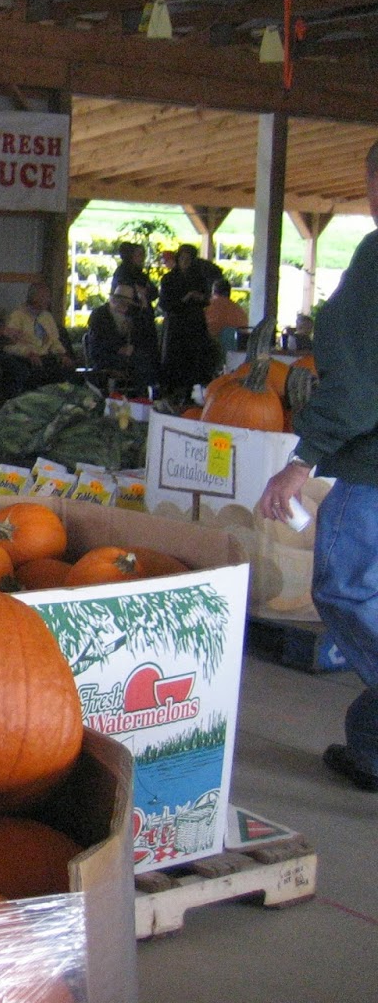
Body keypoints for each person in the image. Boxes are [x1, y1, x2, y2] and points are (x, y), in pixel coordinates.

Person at [259, 138, 378, 793]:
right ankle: (371, 751)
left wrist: (301, 460)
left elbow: (358, 382)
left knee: (346, 588)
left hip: (374, 471)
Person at [158, 243, 223, 401]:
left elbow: (207, 298)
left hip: (195, 324)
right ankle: (172, 393)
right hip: (176, 324)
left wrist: (200, 298)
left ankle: (191, 393)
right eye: (183, 258)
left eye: (189, 259)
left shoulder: (199, 278)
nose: (185, 262)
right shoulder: (169, 279)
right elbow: (164, 304)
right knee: (175, 361)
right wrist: (184, 299)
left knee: (194, 361)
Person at [85, 283, 160, 392]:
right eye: (123, 304)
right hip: (104, 356)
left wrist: (131, 347)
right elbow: (97, 342)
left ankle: (146, 395)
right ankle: (140, 395)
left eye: (127, 305)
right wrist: (118, 349)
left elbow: (143, 335)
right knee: (141, 363)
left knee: (148, 359)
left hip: (127, 358)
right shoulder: (99, 315)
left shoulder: (129, 316)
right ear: (114, 301)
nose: (125, 308)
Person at [4, 281, 76, 391]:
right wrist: (28, 353)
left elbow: (54, 340)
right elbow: (10, 344)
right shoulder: (17, 316)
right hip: (25, 357)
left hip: (45, 356)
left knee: (65, 370)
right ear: (34, 297)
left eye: (48, 296)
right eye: (44, 296)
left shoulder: (47, 316)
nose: (48, 300)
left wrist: (62, 354)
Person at [111, 242, 155, 311]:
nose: (143, 258)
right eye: (139, 255)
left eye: (143, 255)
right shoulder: (122, 273)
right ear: (131, 256)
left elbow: (154, 293)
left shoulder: (141, 275)